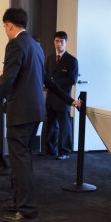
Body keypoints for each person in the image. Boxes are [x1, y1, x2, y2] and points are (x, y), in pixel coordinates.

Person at [0, 8, 80, 222]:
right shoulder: (35, 46)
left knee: (21, 161)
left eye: (4, 27)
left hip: (22, 111)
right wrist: (69, 100)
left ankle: (27, 210)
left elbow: (7, 79)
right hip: (35, 110)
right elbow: (49, 80)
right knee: (22, 158)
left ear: (9, 25)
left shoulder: (16, 44)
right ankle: (19, 201)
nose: (5, 31)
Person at [44, 31, 78, 160]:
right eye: (57, 41)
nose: (59, 44)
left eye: (61, 41)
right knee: (50, 125)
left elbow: (72, 80)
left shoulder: (72, 60)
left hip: (63, 99)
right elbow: (46, 75)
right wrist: (49, 82)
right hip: (51, 97)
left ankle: (65, 151)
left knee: (65, 126)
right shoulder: (50, 58)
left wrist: (54, 81)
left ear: (66, 43)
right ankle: (50, 150)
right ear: (54, 42)